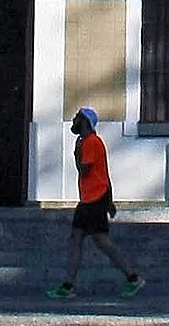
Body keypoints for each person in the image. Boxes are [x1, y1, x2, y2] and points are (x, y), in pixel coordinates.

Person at [47, 107, 144, 297]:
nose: (73, 120)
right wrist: (111, 201)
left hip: (94, 199)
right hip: (91, 199)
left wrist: (76, 155)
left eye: (76, 117)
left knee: (101, 241)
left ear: (84, 121)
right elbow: (105, 174)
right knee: (78, 239)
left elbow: (85, 170)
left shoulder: (91, 142)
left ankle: (133, 278)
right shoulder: (89, 142)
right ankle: (68, 286)